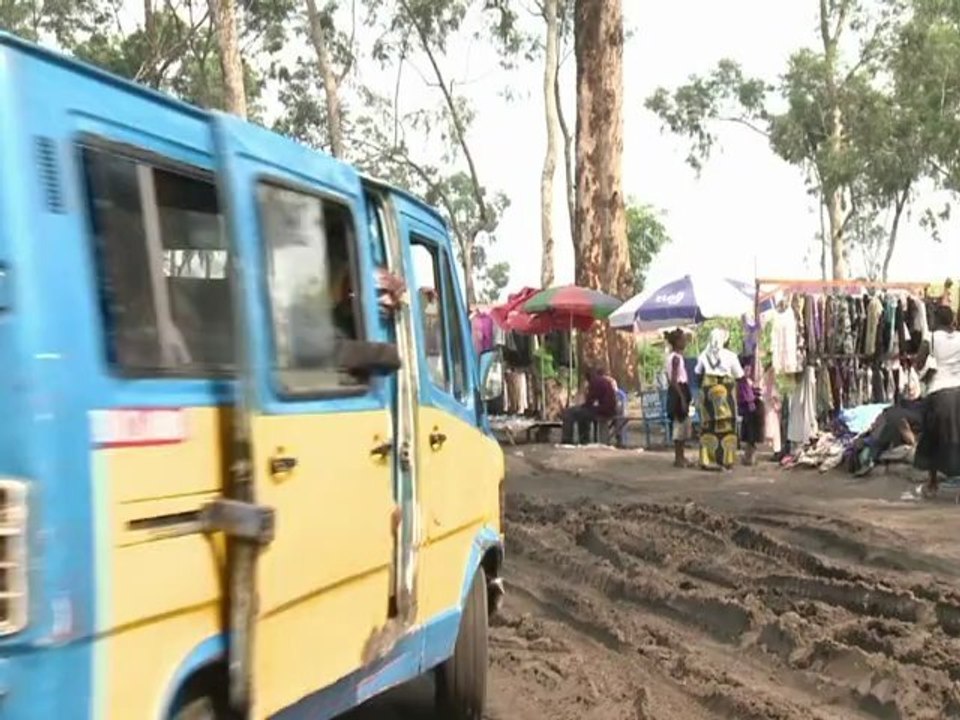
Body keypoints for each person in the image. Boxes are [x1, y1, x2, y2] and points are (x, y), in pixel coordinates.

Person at [914, 305, 960, 496]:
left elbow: (918, 362)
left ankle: (932, 484)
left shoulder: (931, 338)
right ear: (951, 320)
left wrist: (926, 372)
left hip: (938, 393)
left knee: (932, 437)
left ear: (936, 319)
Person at [695, 328, 745, 470]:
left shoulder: (704, 355)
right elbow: (740, 376)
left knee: (708, 426)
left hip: (708, 398)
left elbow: (697, 374)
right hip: (726, 397)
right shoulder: (730, 356)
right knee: (727, 426)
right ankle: (727, 459)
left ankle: (707, 459)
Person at [561, 366, 617, 445]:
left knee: (569, 412)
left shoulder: (595, 382)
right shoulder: (603, 381)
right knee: (581, 413)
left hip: (604, 410)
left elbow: (590, 401)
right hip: (607, 408)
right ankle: (583, 438)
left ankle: (567, 439)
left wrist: (582, 406)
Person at [664, 329, 692, 467]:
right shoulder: (675, 358)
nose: (685, 342)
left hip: (680, 390)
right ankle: (678, 457)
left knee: (682, 424)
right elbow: (674, 380)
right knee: (679, 425)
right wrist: (681, 397)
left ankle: (681, 456)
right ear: (677, 342)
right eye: (683, 339)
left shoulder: (675, 357)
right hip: (678, 390)